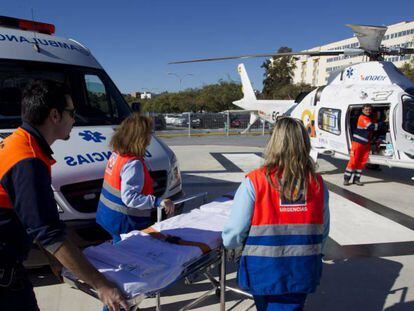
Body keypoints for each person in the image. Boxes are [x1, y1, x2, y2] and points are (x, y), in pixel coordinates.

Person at [0, 80, 128, 311]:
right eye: (72, 112)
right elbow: (48, 232)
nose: (74, 118)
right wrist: (101, 284)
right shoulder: (28, 160)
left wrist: (54, 260)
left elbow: (33, 217)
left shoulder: (20, 142)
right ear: (55, 115)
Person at [222, 117, 330, 311]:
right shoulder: (318, 184)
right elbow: (323, 229)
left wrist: (230, 244)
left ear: (274, 143)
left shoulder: (255, 181)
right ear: (305, 143)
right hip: (302, 267)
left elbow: (235, 230)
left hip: (262, 268)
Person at [96, 113, 174, 243]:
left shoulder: (117, 154)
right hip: (125, 222)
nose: (151, 138)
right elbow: (130, 198)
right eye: (149, 133)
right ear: (140, 137)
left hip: (108, 216)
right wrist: (158, 202)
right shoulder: (133, 164)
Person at [344, 104, 382, 186]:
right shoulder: (362, 118)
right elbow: (371, 127)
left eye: (369, 110)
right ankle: (346, 179)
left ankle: (356, 179)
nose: (368, 111)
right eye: (366, 110)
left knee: (362, 162)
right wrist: (383, 123)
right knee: (353, 161)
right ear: (362, 110)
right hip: (358, 143)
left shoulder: (368, 118)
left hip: (366, 144)